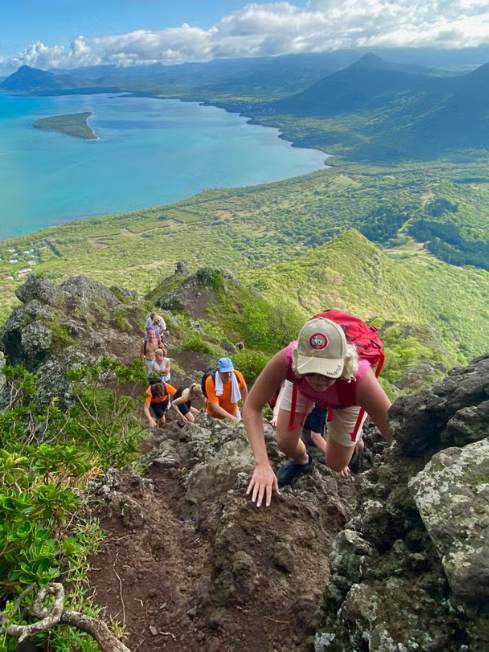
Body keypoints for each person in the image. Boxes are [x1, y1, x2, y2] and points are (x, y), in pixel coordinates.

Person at [242, 316, 392, 507]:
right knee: (285, 443)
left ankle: (355, 433)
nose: (319, 380)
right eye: (311, 370)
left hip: (346, 397)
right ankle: (303, 460)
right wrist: (262, 464)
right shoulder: (288, 360)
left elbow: (395, 434)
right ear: (298, 360)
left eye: (328, 373)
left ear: (344, 363)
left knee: (337, 464)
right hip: (301, 387)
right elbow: (252, 406)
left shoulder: (361, 380)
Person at [205, 357, 248, 422]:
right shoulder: (211, 381)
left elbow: (243, 387)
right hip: (215, 417)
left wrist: (245, 405)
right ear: (218, 370)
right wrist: (233, 419)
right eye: (225, 372)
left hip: (233, 412)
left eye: (230, 371)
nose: (229, 375)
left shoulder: (237, 375)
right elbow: (215, 407)